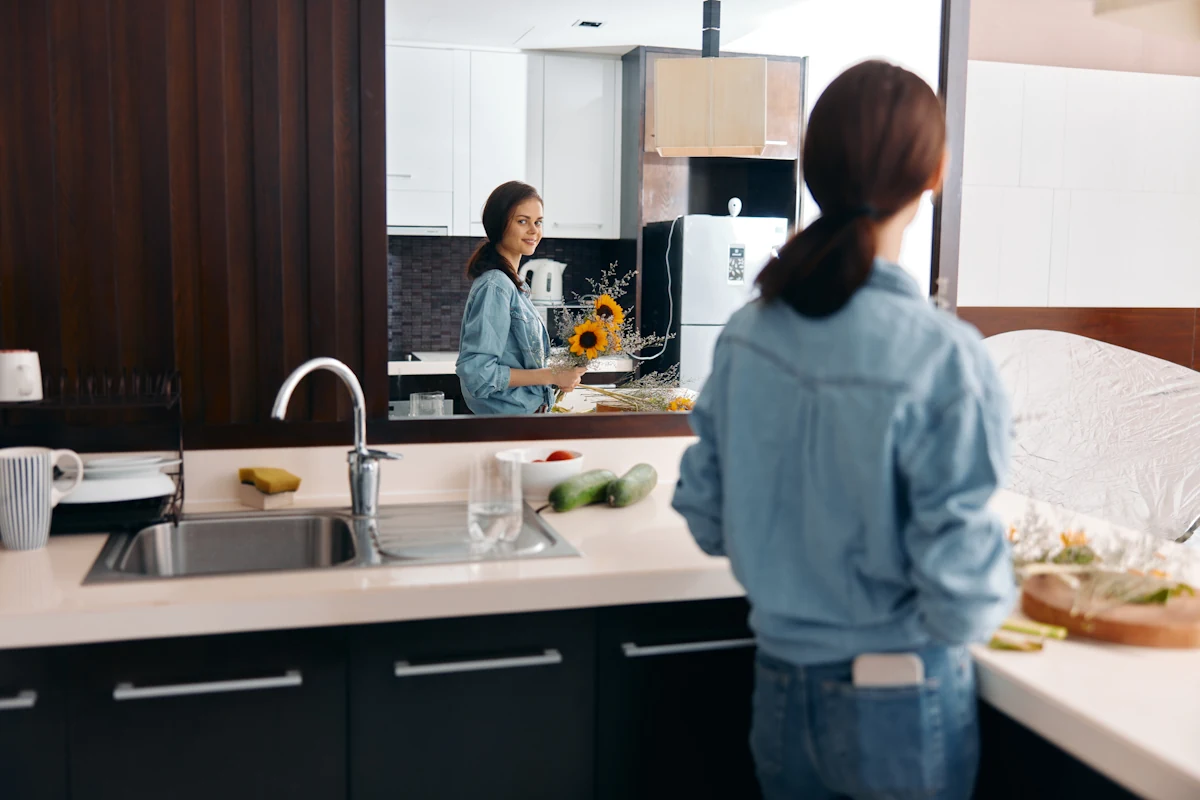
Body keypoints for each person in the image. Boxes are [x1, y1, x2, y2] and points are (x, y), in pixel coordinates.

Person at [672, 61, 1014, 800]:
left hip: (780, 692)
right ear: (935, 173)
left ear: (813, 170)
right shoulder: (942, 354)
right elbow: (963, 590)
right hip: (900, 701)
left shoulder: (747, 334)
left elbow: (706, 516)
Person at [456, 181, 587, 415]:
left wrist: (559, 374)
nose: (534, 230)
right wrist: (553, 375)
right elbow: (478, 374)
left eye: (538, 222)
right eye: (522, 221)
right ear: (499, 225)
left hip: (524, 420)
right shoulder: (496, 285)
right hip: (509, 426)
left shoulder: (514, 284)